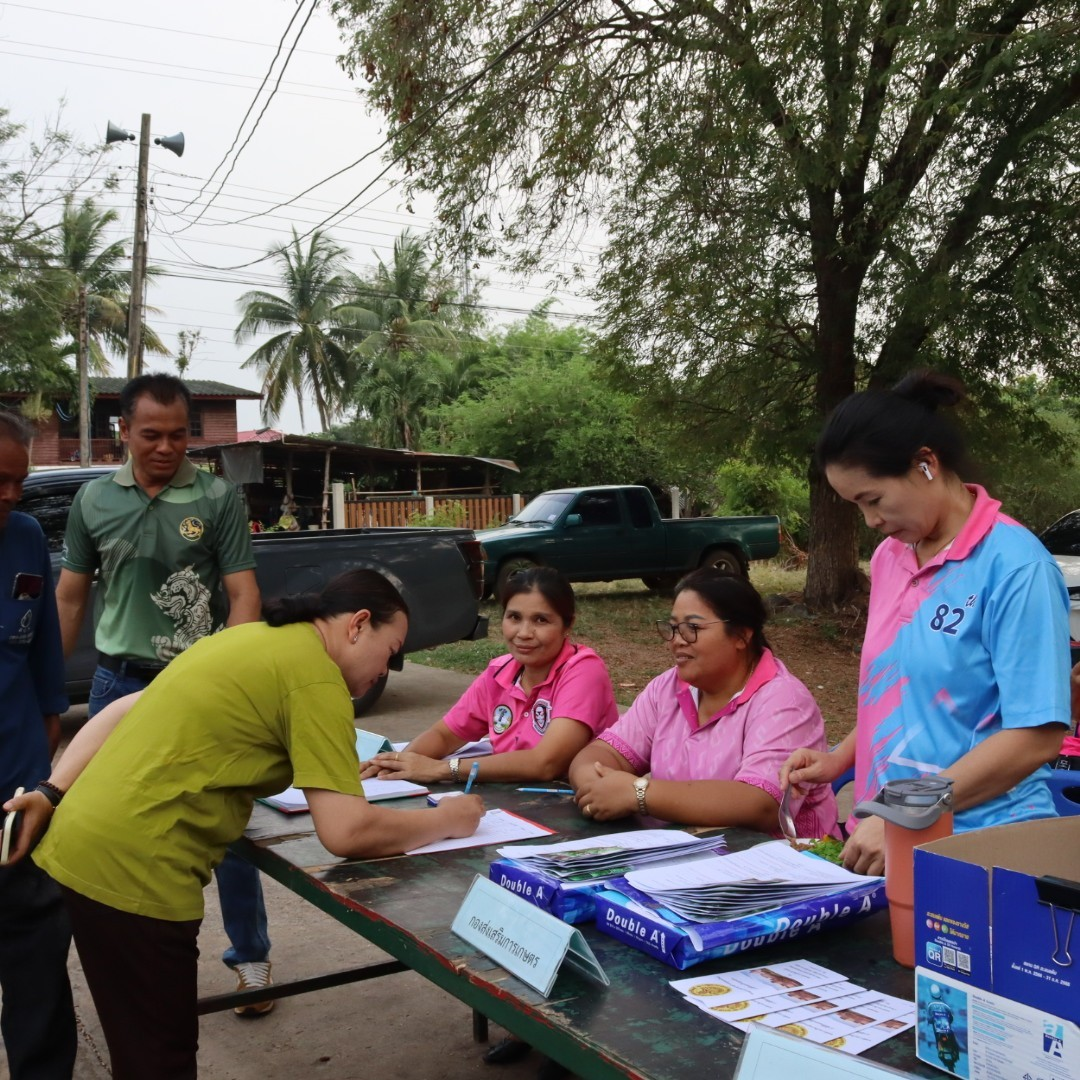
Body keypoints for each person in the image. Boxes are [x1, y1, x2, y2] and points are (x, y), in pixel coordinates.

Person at [4, 569, 483, 1080]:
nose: (387, 670)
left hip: (83, 846)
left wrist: (51, 791)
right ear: (358, 624)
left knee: (138, 1042)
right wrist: (450, 820)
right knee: (157, 1060)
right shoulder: (315, 675)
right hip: (138, 869)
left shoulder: (252, 637)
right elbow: (346, 832)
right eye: (392, 651)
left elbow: (125, 708)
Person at [781, 371, 1071, 877]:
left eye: (872, 499)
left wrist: (905, 812)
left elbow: (1036, 736)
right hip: (885, 841)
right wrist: (839, 761)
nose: (869, 521)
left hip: (982, 849)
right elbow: (900, 694)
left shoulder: (1016, 567)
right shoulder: (893, 557)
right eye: (855, 506)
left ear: (925, 463)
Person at [52, 372, 275, 1015]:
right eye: (151, 434)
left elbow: (244, 598)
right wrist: (46, 688)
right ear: (124, 432)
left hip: (196, 689)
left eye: (178, 435)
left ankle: (251, 960)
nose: (166, 447)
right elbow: (71, 596)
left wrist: (226, 680)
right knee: (102, 825)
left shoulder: (217, 499)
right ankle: (113, 961)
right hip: (114, 681)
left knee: (225, 831)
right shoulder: (94, 501)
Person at [568, 569, 838, 836]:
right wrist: (596, 787)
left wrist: (638, 794)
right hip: (675, 856)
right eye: (673, 628)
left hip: (771, 867)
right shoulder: (668, 688)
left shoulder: (784, 702)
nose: (676, 641)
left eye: (692, 628)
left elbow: (761, 804)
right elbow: (601, 754)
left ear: (742, 636)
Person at [363, 567, 619, 785]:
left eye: (541, 620)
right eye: (514, 617)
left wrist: (443, 769)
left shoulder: (583, 671)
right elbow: (444, 735)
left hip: (577, 803)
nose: (524, 633)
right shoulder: (499, 672)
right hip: (515, 804)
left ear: (568, 625)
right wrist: (397, 763)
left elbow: (545, 764)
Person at [0, 413, 77, 1079]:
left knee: (38, 965)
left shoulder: (24, 537)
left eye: (18, 481)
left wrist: (50, 731)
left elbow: (43, 647)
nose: (9, 495)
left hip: (18, 789)